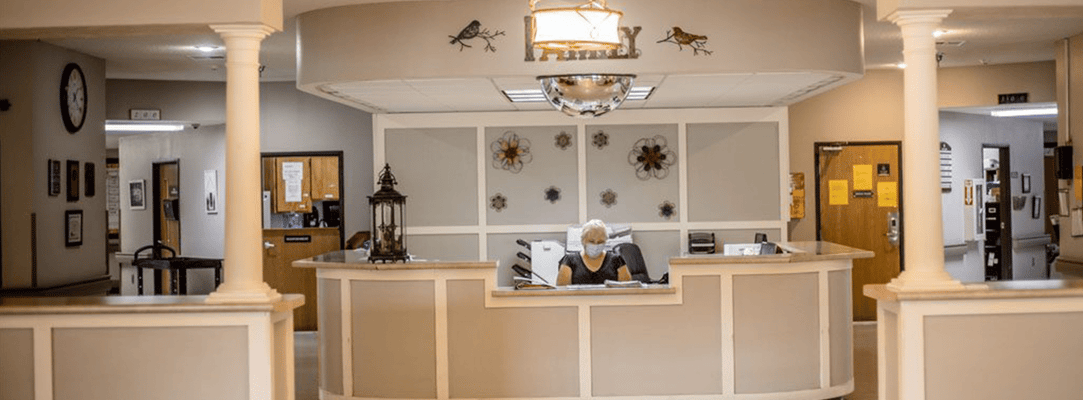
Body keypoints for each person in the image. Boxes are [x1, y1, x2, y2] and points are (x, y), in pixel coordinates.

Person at [556, 219, 632, 286]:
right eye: (591, 241)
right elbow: (562, 292)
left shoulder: (616, 260)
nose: (596, 245)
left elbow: (627, 290)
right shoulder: (569, 260)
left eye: (600, 242)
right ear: (583, 240)